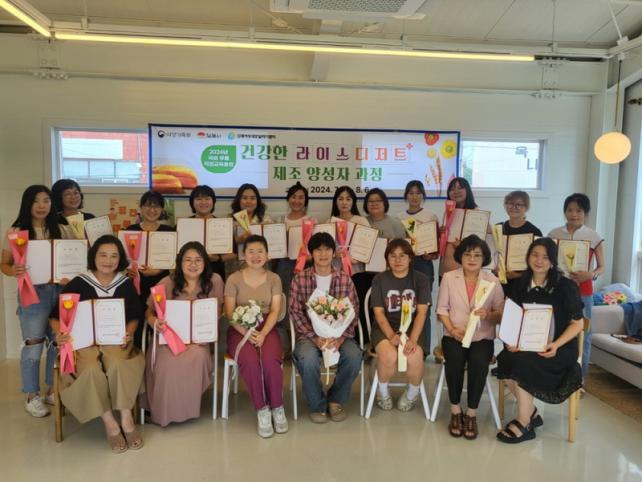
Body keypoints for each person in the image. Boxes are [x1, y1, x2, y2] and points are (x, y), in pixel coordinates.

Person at [50, 235, 144, 453]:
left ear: (120, 259)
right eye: (103, 255)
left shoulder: (125, 284)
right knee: (91, 368)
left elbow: (134, 317)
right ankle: (110, 423)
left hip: (115, 340)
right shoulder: (78, 283)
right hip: (84, 343)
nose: (108, 261)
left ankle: (126, 417)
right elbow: (55, 316)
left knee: (119, 363)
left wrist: (129, 333)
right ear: (94, 256)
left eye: (114, 256)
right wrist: (60, 333)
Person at [496, 238, 583, 444]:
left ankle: (524, 422)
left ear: (552, 261)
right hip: (525, 344)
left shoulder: (566, 286)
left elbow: (577, 324)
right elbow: (512, 318)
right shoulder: (519, 284)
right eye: (535, 255)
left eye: (545, 257)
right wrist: (511, 340)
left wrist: (556, 344)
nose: (539, 260)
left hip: (558, 347)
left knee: (524, 363)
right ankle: (531, 412)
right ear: (528, 257)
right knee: (505, 358)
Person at [144, 241, 224, 427]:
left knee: (198, 356)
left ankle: (186, 408)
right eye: (188, 260)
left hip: (199, 339)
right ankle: (164, 411)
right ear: (180, 262)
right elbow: (149, 311)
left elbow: (219, 310)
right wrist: (154, 322)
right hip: (168, 338)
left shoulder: (215, 280)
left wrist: (207, 323)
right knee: (166, 363)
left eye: (198, 260)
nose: (193, 264)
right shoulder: (167, 282)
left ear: (205, 262)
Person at [1, 185, 63, 417]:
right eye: (36, 201)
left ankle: (52, 389)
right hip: (32, 293)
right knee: (33, 345)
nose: (41, 206)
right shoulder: (16, 231)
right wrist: (13, 271)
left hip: (60, 291)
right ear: (27, 204)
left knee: (57, 342)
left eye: (46, 200)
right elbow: (4, 264)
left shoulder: (61, 229)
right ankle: (31, 395)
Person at [436, 234, 504, 440]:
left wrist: (488, 314)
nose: (472, 259)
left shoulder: (492, 281)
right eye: (467, 254)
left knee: (479, 361)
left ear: (484, 258)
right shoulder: (449, 277)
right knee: (455, 359)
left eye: (477, 255)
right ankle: (456, 410)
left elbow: (501, 313)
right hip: (454, 333)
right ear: (460, 256)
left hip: (482, 336)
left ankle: (471, 413)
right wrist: (452, 329)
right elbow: (441, 310)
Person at [289, 232, 362, 423]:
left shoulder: (345, 279)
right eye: (318, 250)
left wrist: (340, 338)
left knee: (354, 356)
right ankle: (317, 404)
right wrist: (315, 338)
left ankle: (335, 400)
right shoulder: (299, 279)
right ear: (311, 253)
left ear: (334, 252)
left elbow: (354, 311)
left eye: (327, 249)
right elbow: (295, 312)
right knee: (307, 359)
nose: (323, 254)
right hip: (309, 337)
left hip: (340, 337)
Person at [224, 235, 287, 438]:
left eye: (260, 251)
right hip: (240, 329)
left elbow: (275, 310)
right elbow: (230, 314)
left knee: (270, 361)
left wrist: (263, 333)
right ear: (244, 255)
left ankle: (277, 407)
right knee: (250, 362)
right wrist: (247, 333)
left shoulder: (274, 279)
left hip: (267, 327)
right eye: (250, 251)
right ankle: (262, 409)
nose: (256, 255)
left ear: (267, 255)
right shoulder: (233, 279)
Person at [548, 193, 604, 379]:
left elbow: (602, 267)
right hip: (558, 290)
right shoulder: (554, 234)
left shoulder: (594, 236)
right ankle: (557, 377)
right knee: (558, 331)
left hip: (583, 292)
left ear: (586, 213)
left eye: (578, 210)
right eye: (570, 210)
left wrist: (591, 274)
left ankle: (579, 380)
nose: (573, 214)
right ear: (564, 212)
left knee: (583, 335)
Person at [370, 239, 430, 411]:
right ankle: (382, 391)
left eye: (402, 256)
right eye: (393, 256)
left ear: (410, 258)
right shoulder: (379, 279)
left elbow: (422, 313)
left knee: (414, 356)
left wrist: (413, 339)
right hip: (385, 327)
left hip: (412, 328)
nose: (397, 260)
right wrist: (391, 335)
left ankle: (412, 393)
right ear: (387, 259)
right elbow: (379, 313)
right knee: (389, 356)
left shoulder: (421, 279)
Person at [126, 190, 174, 347]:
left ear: (162, 209)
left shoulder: (169, 231)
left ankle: (158, 356)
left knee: (159, 321)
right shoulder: (131, 230)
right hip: (136, 285)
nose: (152, 210)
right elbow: (123, 258)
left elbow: (174, 261)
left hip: (160, 283)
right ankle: (137, 353)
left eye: (156, 206)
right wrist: (128, 271)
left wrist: (158, 270)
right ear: (141, 207)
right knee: (137, 322)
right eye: (148, 205)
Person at [397, 180, 439, 355]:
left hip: (423, 265)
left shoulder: (431, 216)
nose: (414, 196)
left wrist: (431, 255)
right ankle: (403, 346)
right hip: (402, 265)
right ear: (406, 195)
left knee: (423, 307)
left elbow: (436, 250)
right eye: (411, 193)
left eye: (418, 193)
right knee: (403, 306)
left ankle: (424, 349)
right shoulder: (399, 217)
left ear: (423, 195)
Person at [274, 182, 314, 351]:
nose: (297, 201)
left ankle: (303, 345)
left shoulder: (312, 221)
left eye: (301, 197)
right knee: (284, 304)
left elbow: (316, 249)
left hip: (306, 267)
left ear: (305, 200)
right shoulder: (279, 221)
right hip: (283, 267)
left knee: (303, 304)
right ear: (288, 199)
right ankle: (285, 346)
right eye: (293, 197)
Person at [188, 185, 232, 281]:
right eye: (199, 199)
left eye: (207, 199)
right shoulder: (184, 224)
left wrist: (217, 258)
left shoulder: (223, 224)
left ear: (213, 202)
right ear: (192, 203)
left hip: (215, 274)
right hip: (189, 274)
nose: (203, 202)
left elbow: (234, 254)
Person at [228, 183, 273, 275]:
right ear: (239, 200)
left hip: (261, 268)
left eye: (252, 198)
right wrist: (238, 240)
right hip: (236, 269)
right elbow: (223, 247)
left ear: (257, 201)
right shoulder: (229, 220)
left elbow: (273, 245)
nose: (248, 201)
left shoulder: (267, 220)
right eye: (244, 198)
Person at [439, 177, 479, 276]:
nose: (456, 191)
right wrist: (441, 233)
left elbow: (481, 242)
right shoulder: (448, 212)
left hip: (465, 268)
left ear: (467, 190)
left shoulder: (477, 213)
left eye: (460, 188)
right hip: (445, 267)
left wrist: (465, 244)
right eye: (452, 189)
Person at [328, 185, 370, 275]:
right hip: (334, 272)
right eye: (340, 199)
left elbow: (368, 248)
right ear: (335, 202)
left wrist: (358, 257)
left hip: (357, 272)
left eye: (348, 199)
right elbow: (323, 248)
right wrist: (334, 254)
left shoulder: (361, 221)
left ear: (353, 202)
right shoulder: (329, 222)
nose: (344, 202)